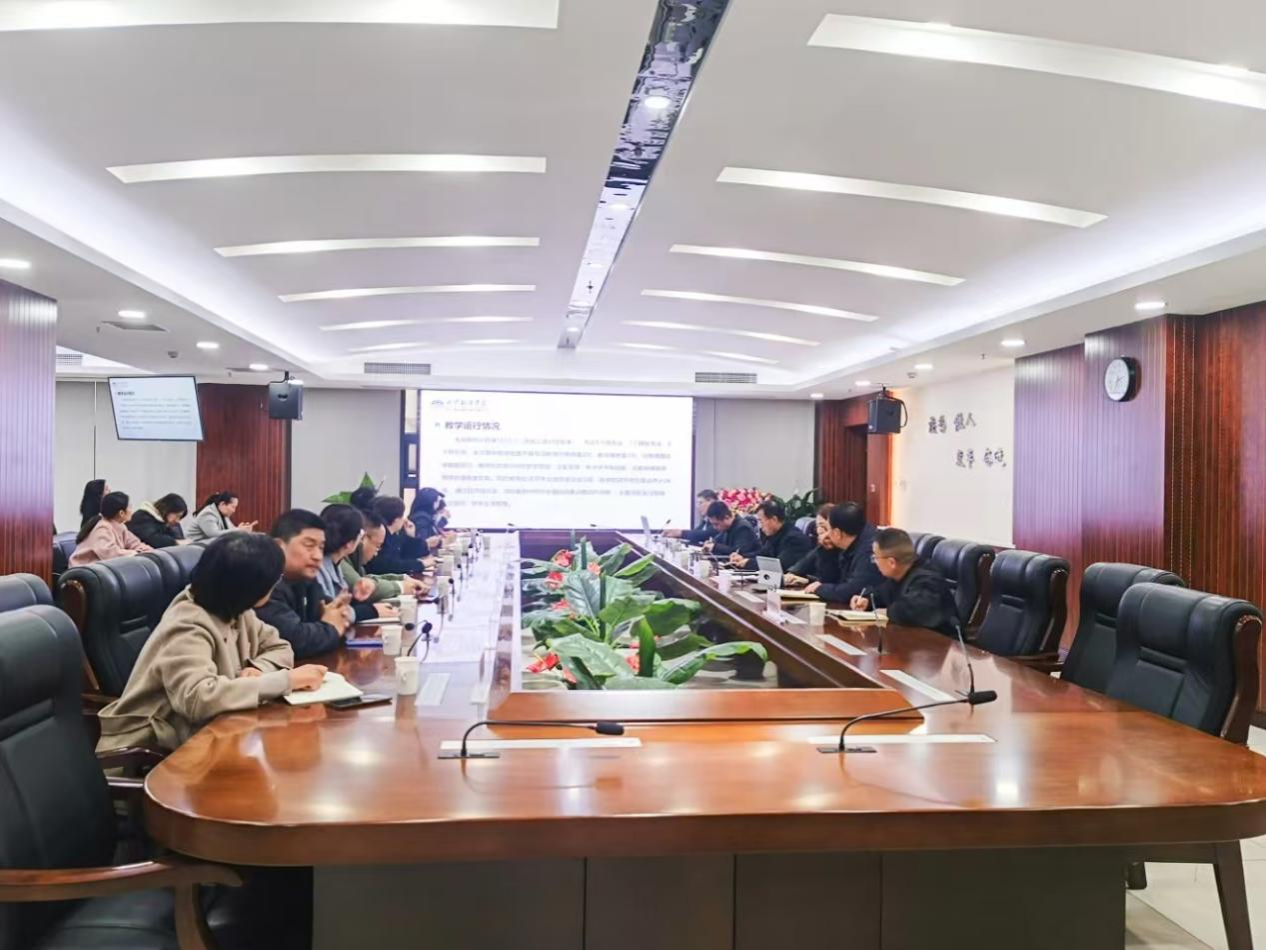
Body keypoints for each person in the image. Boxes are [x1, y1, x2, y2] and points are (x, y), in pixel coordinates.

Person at [95, 532, 326, 754]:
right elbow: (197, 699)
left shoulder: (235, 608)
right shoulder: (188, 624)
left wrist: (258, 669)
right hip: (151, 751)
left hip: (204, 735)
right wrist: (285, 681)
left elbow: (279, 647)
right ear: (251, 587)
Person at [255, 509, 351, 660]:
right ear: (279, 546)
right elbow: (294, 641)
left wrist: (338, 615)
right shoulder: (264, 585)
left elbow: (333, 615)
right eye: (309, 545)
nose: (318, 556)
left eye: (321, 548)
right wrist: (331, 628)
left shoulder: (306, 581)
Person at [850, 527, 958, 637]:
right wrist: (867, 600)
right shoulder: (900, 574)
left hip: (939, 642)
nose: (874, 562)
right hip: (911, 638)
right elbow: (884, 593)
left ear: (891, 562)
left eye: (875, 557)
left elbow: (916, 609)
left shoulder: (928, 579)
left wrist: (888, 613)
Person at [317, 504, 399, 623]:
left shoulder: (335, 563)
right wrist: (372, 611)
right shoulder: (320, 567)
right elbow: (331, 614)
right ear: (350, 543)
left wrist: (356, 598)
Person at [341, 509, 427, 603]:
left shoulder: (355, 563)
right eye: (377, 546)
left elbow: (368, 579)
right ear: (362, 538)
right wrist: (400, 587)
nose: (376, 553)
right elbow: (363, 588)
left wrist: (401, 578)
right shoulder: (341, 562)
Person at [804, 502, 882, 603]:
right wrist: (827, 550)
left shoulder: (871, 549)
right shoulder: (849, 542)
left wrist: (820, 589)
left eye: (828, 529)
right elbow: (831, 580)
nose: (826, 534)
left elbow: (854, 590)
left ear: (837, 533)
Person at [69, 491, 153, 566]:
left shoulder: (120, 526)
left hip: (100, 569)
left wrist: (151, 553)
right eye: (130, 507)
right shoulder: (102, 528)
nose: (132, 510)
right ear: (121, 513)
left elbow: (135, 543)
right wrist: (136, 553)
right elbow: (110, 554)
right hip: (84, 571)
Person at [730, 498, 812, 570]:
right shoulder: (775, 534)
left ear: (774, 519)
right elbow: (763, 555)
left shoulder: (794, 539)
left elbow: (779, 566)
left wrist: (748, 563)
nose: (760, 526)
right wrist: (743, 557)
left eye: (761, 521)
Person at [365, 495, 431, 575]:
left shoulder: (395, 535)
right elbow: (388, 566)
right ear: (396, 520)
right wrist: (421, 564)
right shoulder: (381, 536)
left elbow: (414, 553)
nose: (405, 520)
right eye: (402, 516)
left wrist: (411, 536)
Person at [785, 503, 837, 587]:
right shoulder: (821, 548)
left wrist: (807, 580)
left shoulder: (843, 551)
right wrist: (791, 574)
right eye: (817, 526)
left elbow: (833, 581)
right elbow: (801, 565)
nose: (819, 531)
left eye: (823, 526)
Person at [185, 491, 257, 542]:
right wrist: (238, 530)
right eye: (233, 507)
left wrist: (242, 530)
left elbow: (230, 531)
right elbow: (214, 534)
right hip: (195, 547)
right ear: (222, 504)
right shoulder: (208, 513)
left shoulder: (223, 515)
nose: (234, 511)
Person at [408, 487, 446, 551]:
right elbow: (423, 541)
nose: (438, 503)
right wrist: (442, 542)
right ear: (430, 502)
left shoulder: (426, 516)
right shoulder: (421, 518)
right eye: (437, 501)